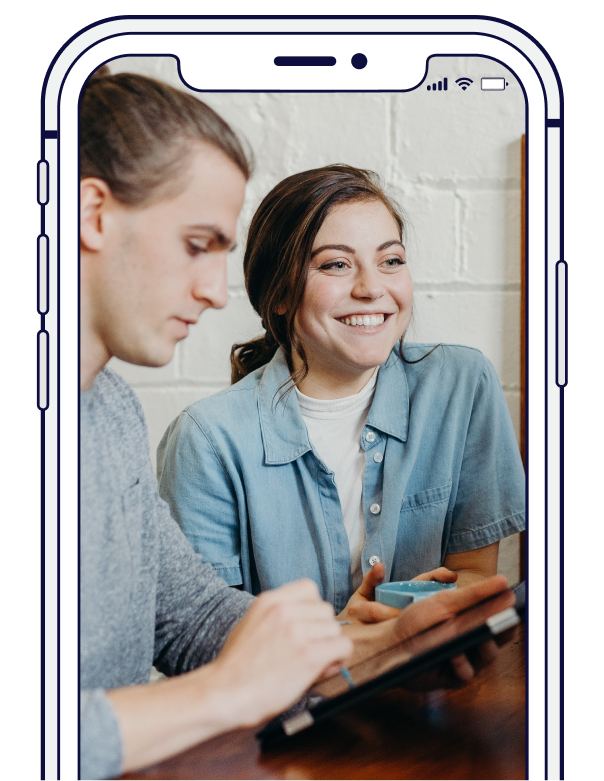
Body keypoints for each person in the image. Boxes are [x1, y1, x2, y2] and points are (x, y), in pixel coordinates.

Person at [79, 69, 512, 781]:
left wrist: (366, 649)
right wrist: (224, 692)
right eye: (196, 244)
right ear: (93, 213)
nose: (215, 292)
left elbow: (189, 619)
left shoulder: (111, 412)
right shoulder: (204, 433)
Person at [157, 165, 525, 617]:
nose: (372, 289)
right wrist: (351, 641)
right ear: (279, 294)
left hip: (431, 682)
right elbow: (205, 636)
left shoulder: (463, 385)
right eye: (336, 264)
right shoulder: (206, 441)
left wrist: (432, 614)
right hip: (289, 690)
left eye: (390, 261)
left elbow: (474, 572)